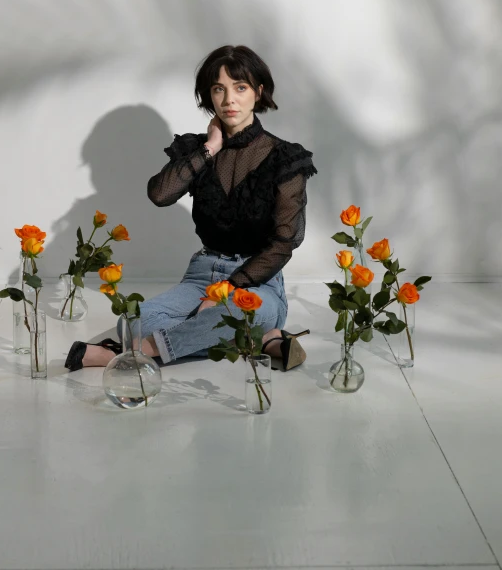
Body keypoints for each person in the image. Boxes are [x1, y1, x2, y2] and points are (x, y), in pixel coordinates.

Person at [65, 45, 317, 372]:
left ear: (258, 92)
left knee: (237, 315)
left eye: (240, 88)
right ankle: (263, 341)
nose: (229, 100)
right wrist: (210, 147)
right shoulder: (197, 151)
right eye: (218, 89)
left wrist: (227, 289)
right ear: (209, 96)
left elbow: (284, 243)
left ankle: (128, 354)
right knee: (133, 322)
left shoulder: (286, 158)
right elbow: (159, 194)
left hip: (257, 282)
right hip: (201, 276)